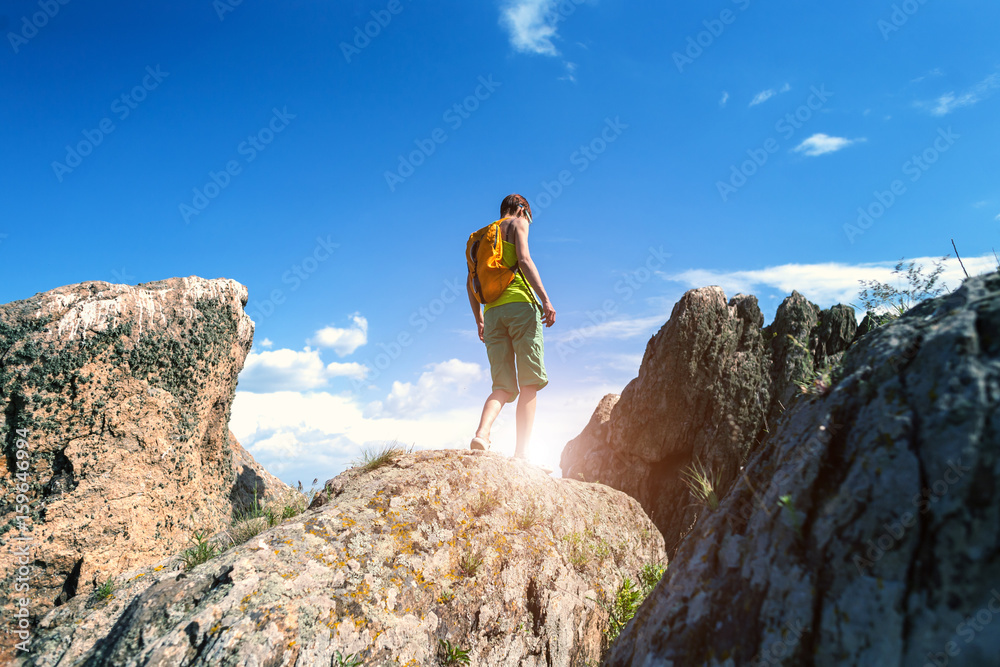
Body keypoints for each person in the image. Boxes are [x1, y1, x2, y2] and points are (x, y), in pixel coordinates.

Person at [467, 194, 556, 460]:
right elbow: (525, 260)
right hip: (520, 307)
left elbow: (470, 282)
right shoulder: (517, 223)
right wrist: (546, 300)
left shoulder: (478, 238)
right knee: (530, 382)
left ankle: (481, 434)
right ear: (521, 209)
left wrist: (479, 319)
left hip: (492, 313)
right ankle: (522, 454)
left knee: (503, 386)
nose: (528, 221)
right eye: (528, 215)